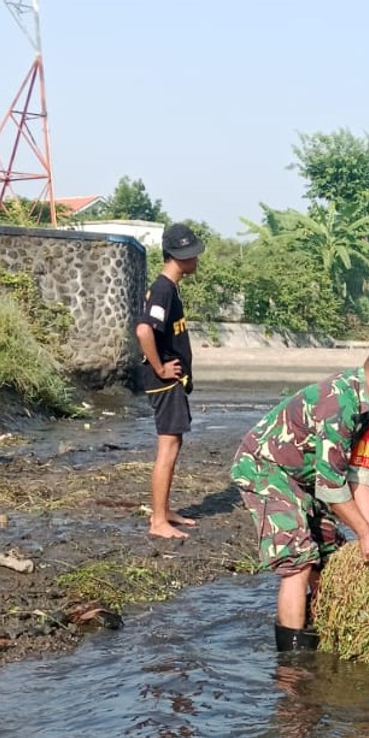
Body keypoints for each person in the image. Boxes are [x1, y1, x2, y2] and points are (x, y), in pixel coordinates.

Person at [231, 336, 369, 651]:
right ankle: (293, 661)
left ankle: (323, 631)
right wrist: (364, 534)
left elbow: (359, 478)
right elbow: (332, 488)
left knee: (329, 554)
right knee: (300, 561)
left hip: (304, 477)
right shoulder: (341, 403)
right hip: (266, 469)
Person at [135, 221, 205, 539]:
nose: (196, 259)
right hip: (164, 380)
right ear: (176, 256)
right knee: (168, 448)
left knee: (173, 445)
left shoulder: (169, 287)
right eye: (191, 254)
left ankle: (164, 511)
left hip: (170, 380)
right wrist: (161, 367)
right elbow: (143, 329)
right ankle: (157, 521)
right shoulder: (163, 288)